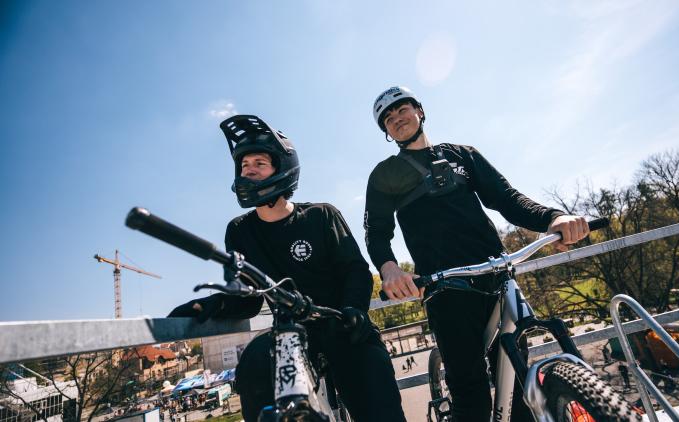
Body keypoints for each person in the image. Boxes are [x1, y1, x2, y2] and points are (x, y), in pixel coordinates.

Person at [364, 86, 591, 421]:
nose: (397, 119)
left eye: (402, 110)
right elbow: (377, 233)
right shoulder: (385, 174)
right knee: (471, 397)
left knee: (518, 388)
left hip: (496, 274)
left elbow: (507, 198)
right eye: (388, 119)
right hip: (444, 287)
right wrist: (389, 269)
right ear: (385, 131)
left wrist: (553, 217)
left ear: (420, 111)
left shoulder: (462, 155)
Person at [168, 115, 406, 422]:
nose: (248, 170)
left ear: (282, 168)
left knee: (375, 389)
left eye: (259, 163)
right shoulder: (239, 231)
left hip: (343, 325)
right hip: (291, 337)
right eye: (244, 166)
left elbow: (355, 271)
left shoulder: (322, 215)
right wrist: (213, 304)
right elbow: (248, 297)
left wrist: (354, 310)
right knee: (254, 365)